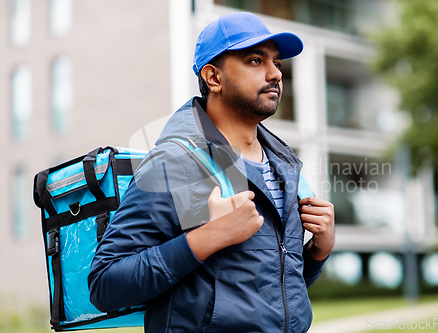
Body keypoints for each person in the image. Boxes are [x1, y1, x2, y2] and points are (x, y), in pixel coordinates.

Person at [88, 12, 335, 333]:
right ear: (213, 78)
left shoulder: (285, 165)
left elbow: (274, 288)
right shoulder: (173, 163)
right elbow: (105, 286)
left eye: (277, 63)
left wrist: (318, 252)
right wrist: (208, 236)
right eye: (255, 61)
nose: (275, 74)